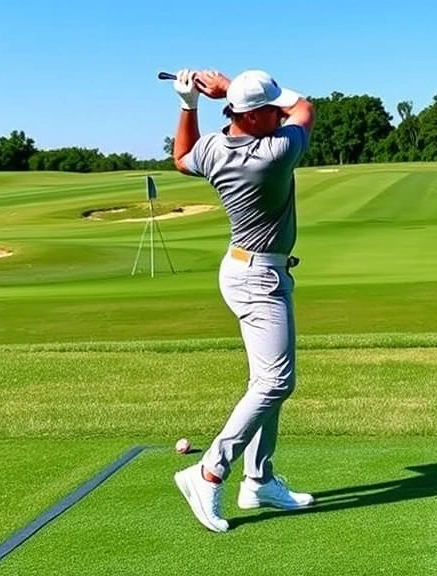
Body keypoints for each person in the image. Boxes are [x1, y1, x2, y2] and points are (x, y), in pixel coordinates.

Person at [167, 68, 316, 533]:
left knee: (265, 381)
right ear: (252, 118)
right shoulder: (273, 153)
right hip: (260, 279)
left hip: (244, 269)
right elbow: (306, 107)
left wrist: (190, 103)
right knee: (276, 383)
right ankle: (210, 471)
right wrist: (227, 85)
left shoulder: (213, 147)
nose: (279, 114)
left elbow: (180, 157)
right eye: (270, 110)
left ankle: (259, 479)